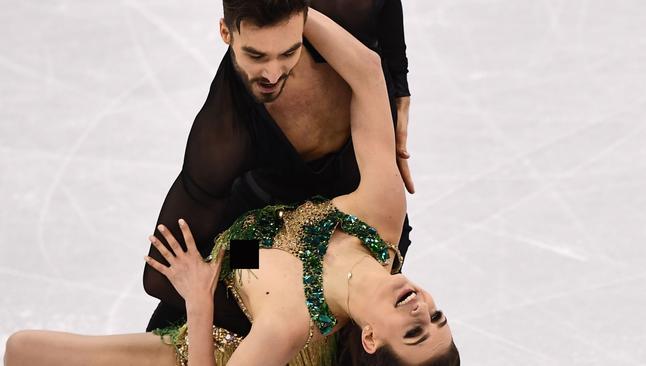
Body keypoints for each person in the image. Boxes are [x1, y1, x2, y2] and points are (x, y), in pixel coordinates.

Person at [4, 8, 458, 366]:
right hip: (246, 263)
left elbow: (248, 261)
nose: (421, 312)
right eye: (437, 318)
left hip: (205, 351)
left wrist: (200, 300)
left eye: (414, 331)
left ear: (372, 338)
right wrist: (295, 15)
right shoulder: (381, 215)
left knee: (26, 350)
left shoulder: (288, 320)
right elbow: (367, 73)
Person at [143, 0, 416, 339]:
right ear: (226, 33)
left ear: (304, 21)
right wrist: (285, 318)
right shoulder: (224, 134)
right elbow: (161, 275)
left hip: (365, 228)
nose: (272, 74)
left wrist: (401, 87)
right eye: (256, 56)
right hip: (264, 244)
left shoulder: (346, 11)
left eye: (289, 53)